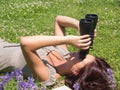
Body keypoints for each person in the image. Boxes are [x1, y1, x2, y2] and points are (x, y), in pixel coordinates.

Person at [0, 15, 115, 90]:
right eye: (84, 52)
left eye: (81, 57)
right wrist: (80, 26)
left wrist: (68, 39)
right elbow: (59, 20)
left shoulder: (48, 75)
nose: (78, 52)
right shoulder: (63, 53)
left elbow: (25, 43)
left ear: (76, 71)